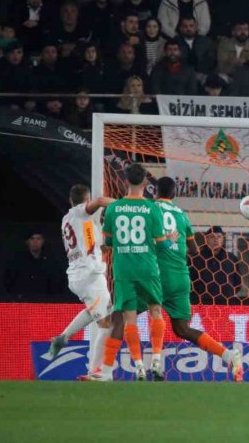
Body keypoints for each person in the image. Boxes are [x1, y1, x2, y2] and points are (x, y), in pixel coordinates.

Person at [153, 177, 243, 381]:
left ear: (155, 193)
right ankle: (228, 355)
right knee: (182, 329)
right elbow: (193, 250)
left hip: (158, 276)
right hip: (180, 278)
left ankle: (148, 365)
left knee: (123, 316)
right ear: (174, 194)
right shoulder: (182, 215)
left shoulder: (151, 209)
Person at [99, 162, 175, 382]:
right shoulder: (152, 208)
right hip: (147, 267)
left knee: (129, 318)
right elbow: (161, 246)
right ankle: (157, 361)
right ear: (144, 182)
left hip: (123, 270)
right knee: (155, 311)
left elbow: (110, 242)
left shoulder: (113, 208)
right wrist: (169, 241)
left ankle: (139, 366)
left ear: (125, 180)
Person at [46, 185, 116, 381]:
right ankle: (95, 371)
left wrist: (109, 246)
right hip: (90, 275)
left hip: (79, 275)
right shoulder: (80, 214)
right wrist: (124, 205)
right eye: (89, 200)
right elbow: (102, 201)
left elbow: (92, 247)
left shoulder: (70, 220)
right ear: (86, 200)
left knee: (97, 311)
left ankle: (64, 337)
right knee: (106, 323)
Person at [191, 226, 241, 301]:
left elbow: (237, 283)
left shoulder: (231, 259)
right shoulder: (195, 259)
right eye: (212, 237)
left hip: (225, 303)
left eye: (219, 237)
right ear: (206, 239)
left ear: (223, 239)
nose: (216, 239)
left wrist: (228, 293)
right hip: (202, 304)